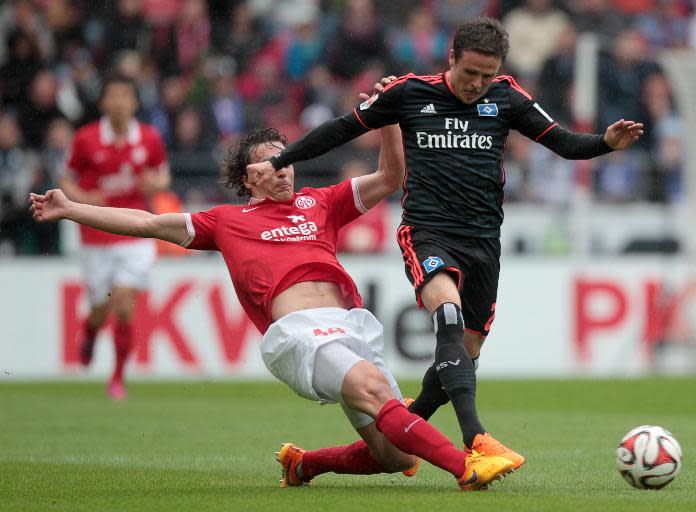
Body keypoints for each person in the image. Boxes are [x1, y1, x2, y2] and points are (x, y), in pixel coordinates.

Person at [30, 123, 516, 491]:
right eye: (272, 163)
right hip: (299, 334)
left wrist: (387, 121)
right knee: (373, 390)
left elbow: (391, 176)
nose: (285, 168)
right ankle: (465, 466)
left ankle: (304, 463)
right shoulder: (225, 221)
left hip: (349, 327)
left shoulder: (319, 202)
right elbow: (146, 222)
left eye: (289, 159)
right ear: (249, 176)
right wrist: (71, 208)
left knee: (392, 455)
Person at [247, 17, 644, 466]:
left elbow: (566, 144)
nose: (477, 84)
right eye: (469, 72)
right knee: (448, 318)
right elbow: (340, 129)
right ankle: (477, 438)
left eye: (486, 76)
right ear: (451, 58)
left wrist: (606, 143)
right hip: (428, 231)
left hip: (484, 242)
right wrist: (280, 158)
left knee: (463, 354)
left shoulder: (508, 97)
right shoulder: (410, 93)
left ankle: (371, 442)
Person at [59, 74, 171, 399]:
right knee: (99, 308)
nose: (120, 102)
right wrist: (81, 195)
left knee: (123, 304)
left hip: (136, 231)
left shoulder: (149, 138)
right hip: (96, 237)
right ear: (103, 103)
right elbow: (65, 177)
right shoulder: (86, 139)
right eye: (114, 96)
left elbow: (163, 175)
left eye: (126, 95)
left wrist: (156, 184)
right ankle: (91, 332)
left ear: (135, 102)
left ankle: (118, 378)